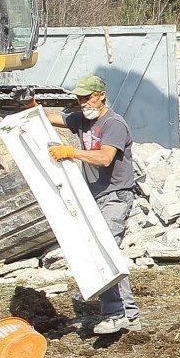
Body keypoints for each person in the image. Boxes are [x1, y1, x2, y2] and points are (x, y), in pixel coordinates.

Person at [45, 73, 139, 335]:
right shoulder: (82, 120)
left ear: (101, 96)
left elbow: (105, 158)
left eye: (87, 97)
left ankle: (116, 313)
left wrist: (71, 152)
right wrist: (29, 107)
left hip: (116, 196)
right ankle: (129, 315)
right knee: (105, 252)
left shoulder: (113, 124)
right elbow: (50, 118)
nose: (83, 102)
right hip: (96, 196)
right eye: (79, 98)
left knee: (104, 251)